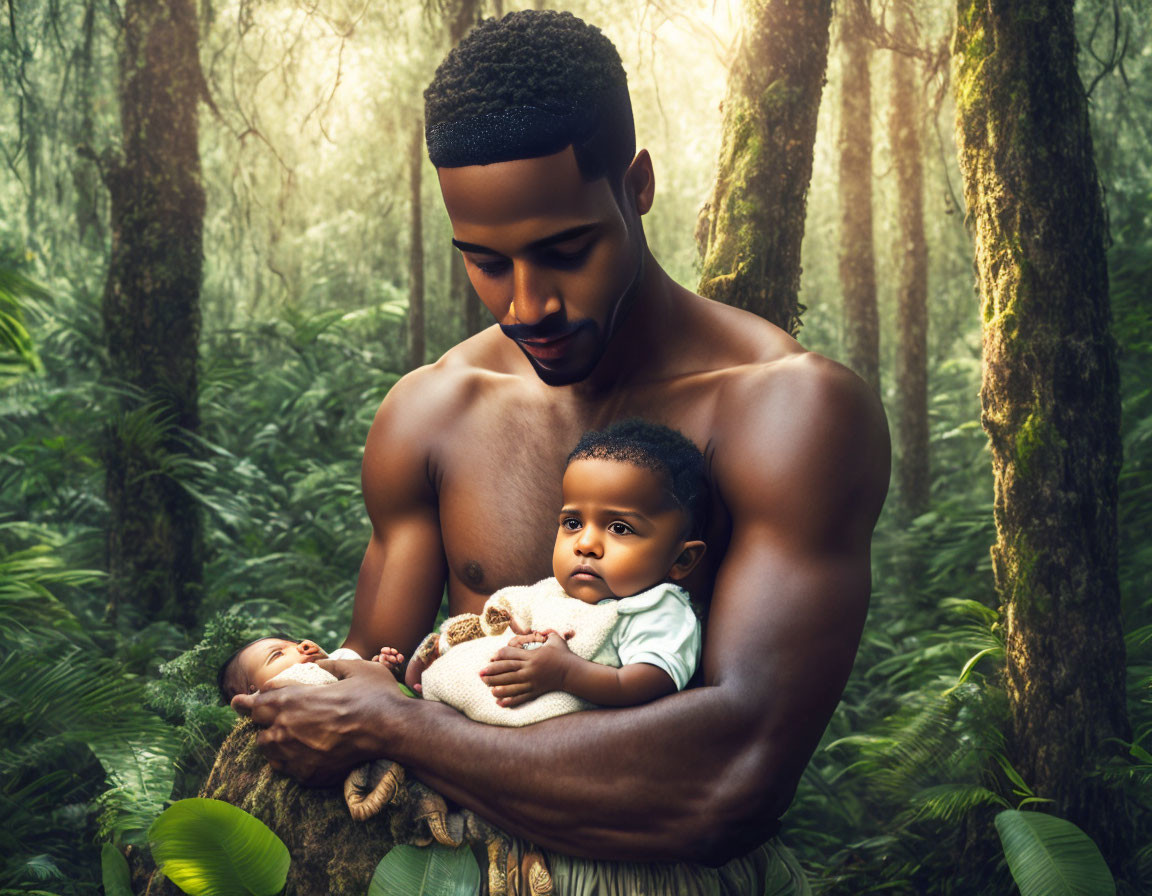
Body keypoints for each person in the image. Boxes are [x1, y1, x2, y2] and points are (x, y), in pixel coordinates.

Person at [234, 6, 890, 876]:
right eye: (487, 261)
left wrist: (400, 726)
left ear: (638, 186)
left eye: (566, 249)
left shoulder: (789, 414)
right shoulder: (430, 414)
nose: (526, 305)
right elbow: (356, 705)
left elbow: (732, 779)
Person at [410, 420, 706, 725]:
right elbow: (495, 625)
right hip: (457, 723)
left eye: (620, 528)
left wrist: (566, 673)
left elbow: (654, 681)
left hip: (547, 751)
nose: (585, 544)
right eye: (573, 523)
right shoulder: (549, 594)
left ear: (681, 559)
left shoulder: (657, 609)